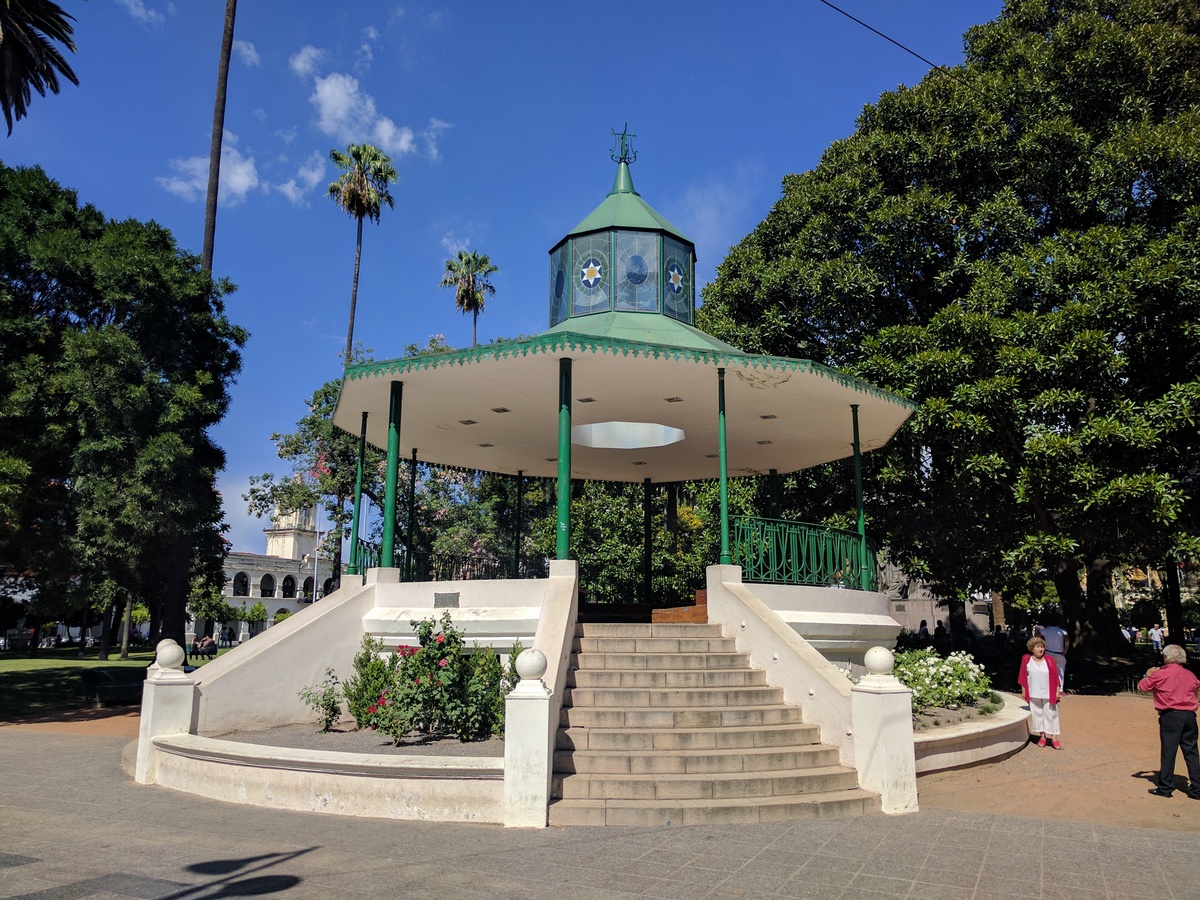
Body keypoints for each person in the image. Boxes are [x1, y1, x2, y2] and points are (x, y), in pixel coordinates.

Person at [1138, 644, 1200, 799]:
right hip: (1189, 715)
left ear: (1166, 657)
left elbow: (1143, 687)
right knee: (1191, 752)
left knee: (1169, 751)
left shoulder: (1161, 674)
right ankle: (1197, 789)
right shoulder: (1190, 674)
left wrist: (1147, 675)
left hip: (1171, 715)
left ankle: (1165, 787)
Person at [1018, 636, 1062, 749]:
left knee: (1051, 714)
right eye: (1038, 647)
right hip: (1034, 692)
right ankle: (1042, 737)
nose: (1040, 649)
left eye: (1042, 647)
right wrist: (1024, 691)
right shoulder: (1026, 659)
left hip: (1048, 692)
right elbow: (1023, 676)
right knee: (1037, 714)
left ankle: (1054, 739)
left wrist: (1057, 691)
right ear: (1032, 648)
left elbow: (1055, 677)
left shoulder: (1049, 660)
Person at [1038, 616, 1069, 693]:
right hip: (1059, 653)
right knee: (1060, 670)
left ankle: (1047, 687)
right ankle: (1060, 688)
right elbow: (1067, 638)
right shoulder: (1061, 631)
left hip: (1048, 652)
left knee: (1047, 670)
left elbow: (1038, 634)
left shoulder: (1046, 630)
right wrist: (1065, 649)